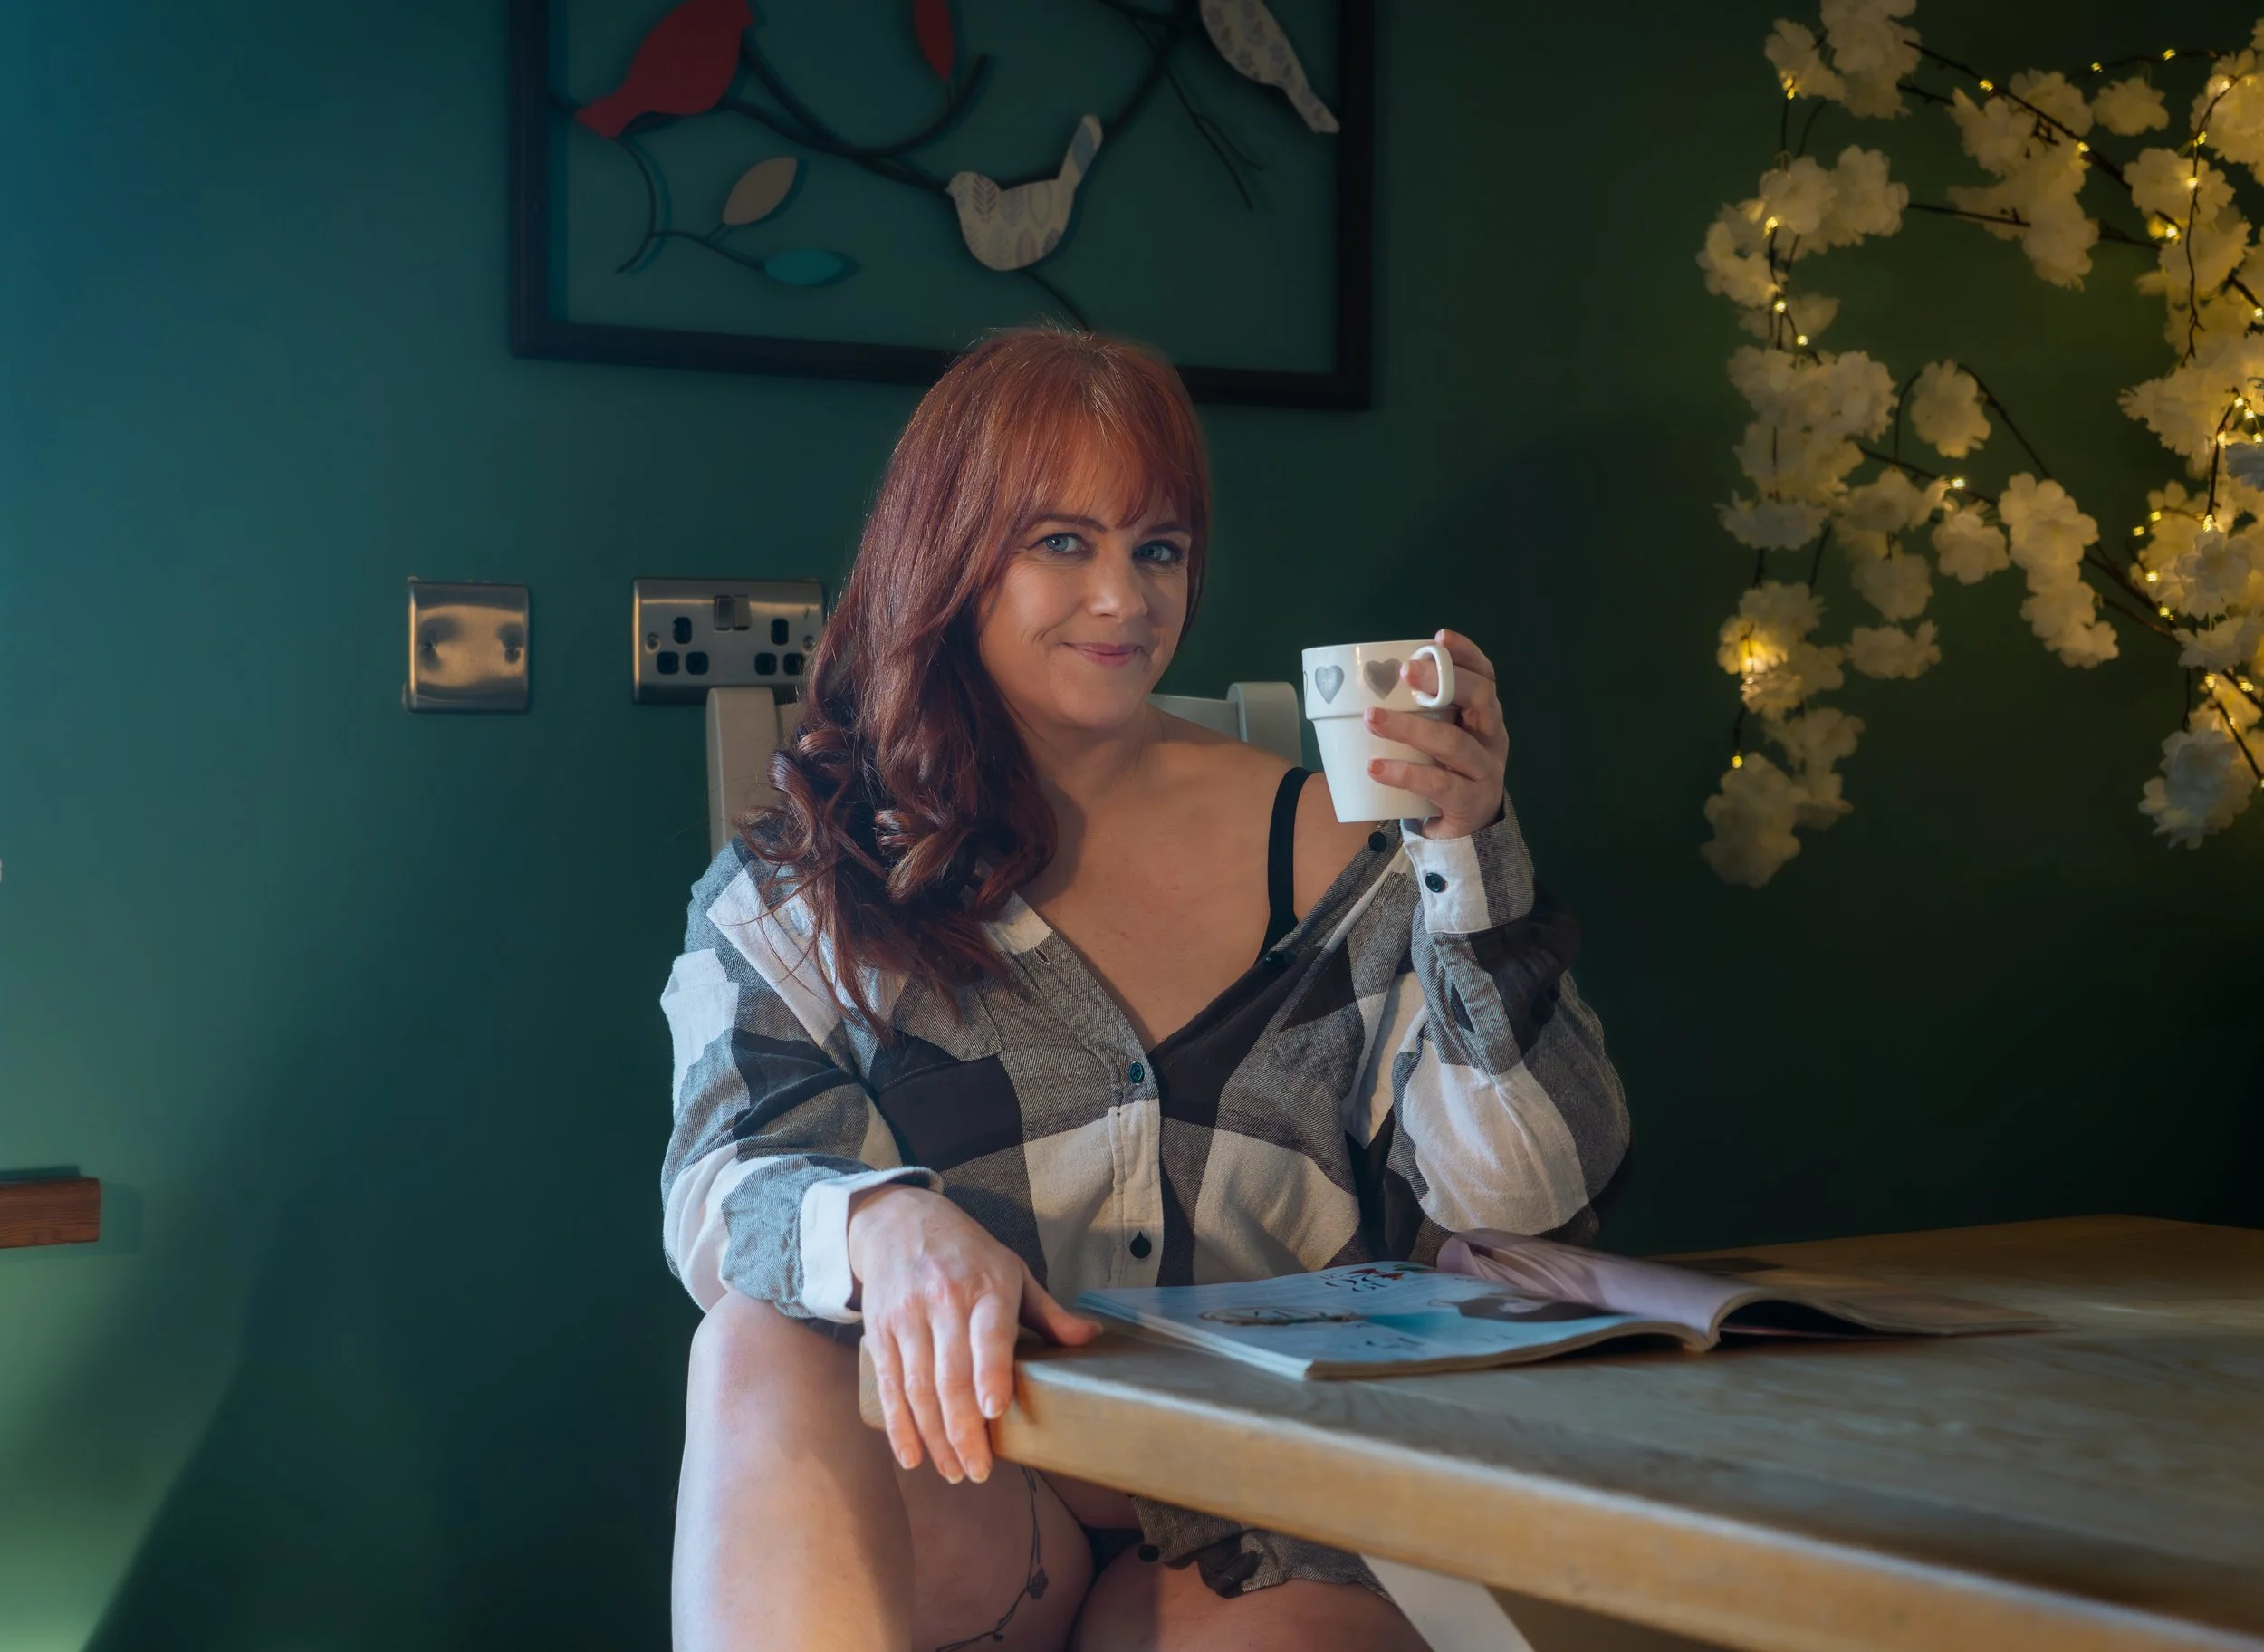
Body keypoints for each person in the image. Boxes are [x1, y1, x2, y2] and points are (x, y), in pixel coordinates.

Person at [660, 328, 1628, 1651]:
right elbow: (722, 1189)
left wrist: (1470, 859)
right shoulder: (813, 872)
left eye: (1156, 549)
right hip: (989, 1493)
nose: (1124, 599)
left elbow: (1536, 1202)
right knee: (755, 1348)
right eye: (1062, 543)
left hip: (1284, 1514)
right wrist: (885, 1226)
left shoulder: (1347, 852)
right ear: (952, 554)